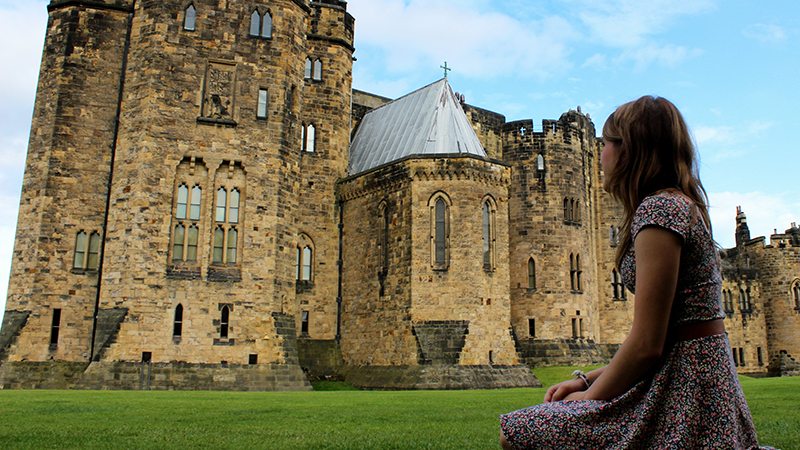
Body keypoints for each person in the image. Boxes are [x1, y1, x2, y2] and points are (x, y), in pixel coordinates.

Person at [499, 96, 777, 450]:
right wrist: (585, 379)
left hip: (687, 391)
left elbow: (647, 344)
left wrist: (589, 396)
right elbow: (660, 340)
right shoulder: (675, 204)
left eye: (606, 143)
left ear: (630, 150)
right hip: (690, 377)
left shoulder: (660, 210)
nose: (599, 155)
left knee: (518, 436)